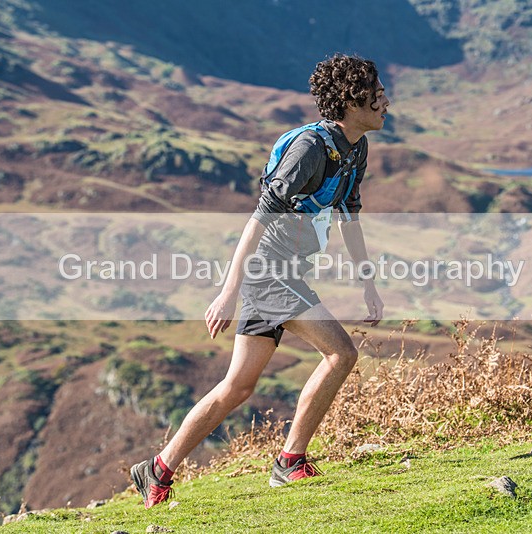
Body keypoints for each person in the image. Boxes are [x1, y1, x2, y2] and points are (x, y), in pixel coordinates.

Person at [130, 53, 389, 508]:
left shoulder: (356, 148)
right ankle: (290, 461)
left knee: (238, 386)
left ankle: (158, 469)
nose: (386, 99)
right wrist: (228, 292)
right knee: (341, 352)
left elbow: (350, 215)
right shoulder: (310, 150)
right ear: (352, 100)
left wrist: (367, 280)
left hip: (285, 272)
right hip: (268, 271)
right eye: (377, 92)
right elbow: (258, 218)